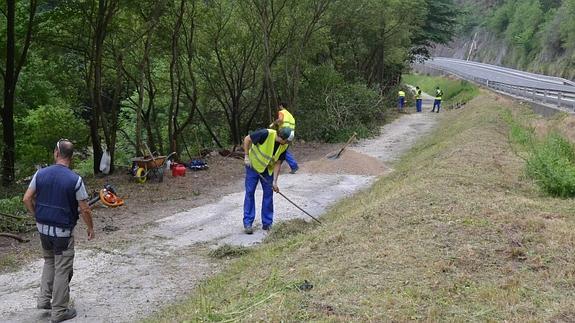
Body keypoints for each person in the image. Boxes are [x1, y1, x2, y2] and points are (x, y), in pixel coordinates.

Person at [22, 139, 94, 323]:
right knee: (62, 269)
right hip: (62, 233)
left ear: (56, 153)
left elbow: (27, 199)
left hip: (43, 229)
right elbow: (85, 209)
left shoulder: (40, 174)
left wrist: (36, 215)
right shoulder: (75, 180)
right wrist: (90, 228)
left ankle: (44, 300)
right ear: (71, 157)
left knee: (49, 261)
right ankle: (59, 311)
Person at [242, 127, 294, 234]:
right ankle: (248, 223)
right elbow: (247, 139)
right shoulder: (265, 134)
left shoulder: (284, 146)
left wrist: (274, 181)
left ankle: (267, 223)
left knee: (268, 194)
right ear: (282, 138)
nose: (287, 143)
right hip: (253, 167)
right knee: (250, 192)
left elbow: (278, 163)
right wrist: (246, 156)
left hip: (267, 171)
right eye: (287, 141)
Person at [271, 102, 299, 174]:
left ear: (281, 106)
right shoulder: (289, 114)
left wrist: (273, 123)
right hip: (291, 133)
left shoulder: (282, 112)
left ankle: (273, 165)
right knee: (283, 149)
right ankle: (293, 166)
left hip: (285, 132)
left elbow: (280, 119)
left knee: (278, 147)